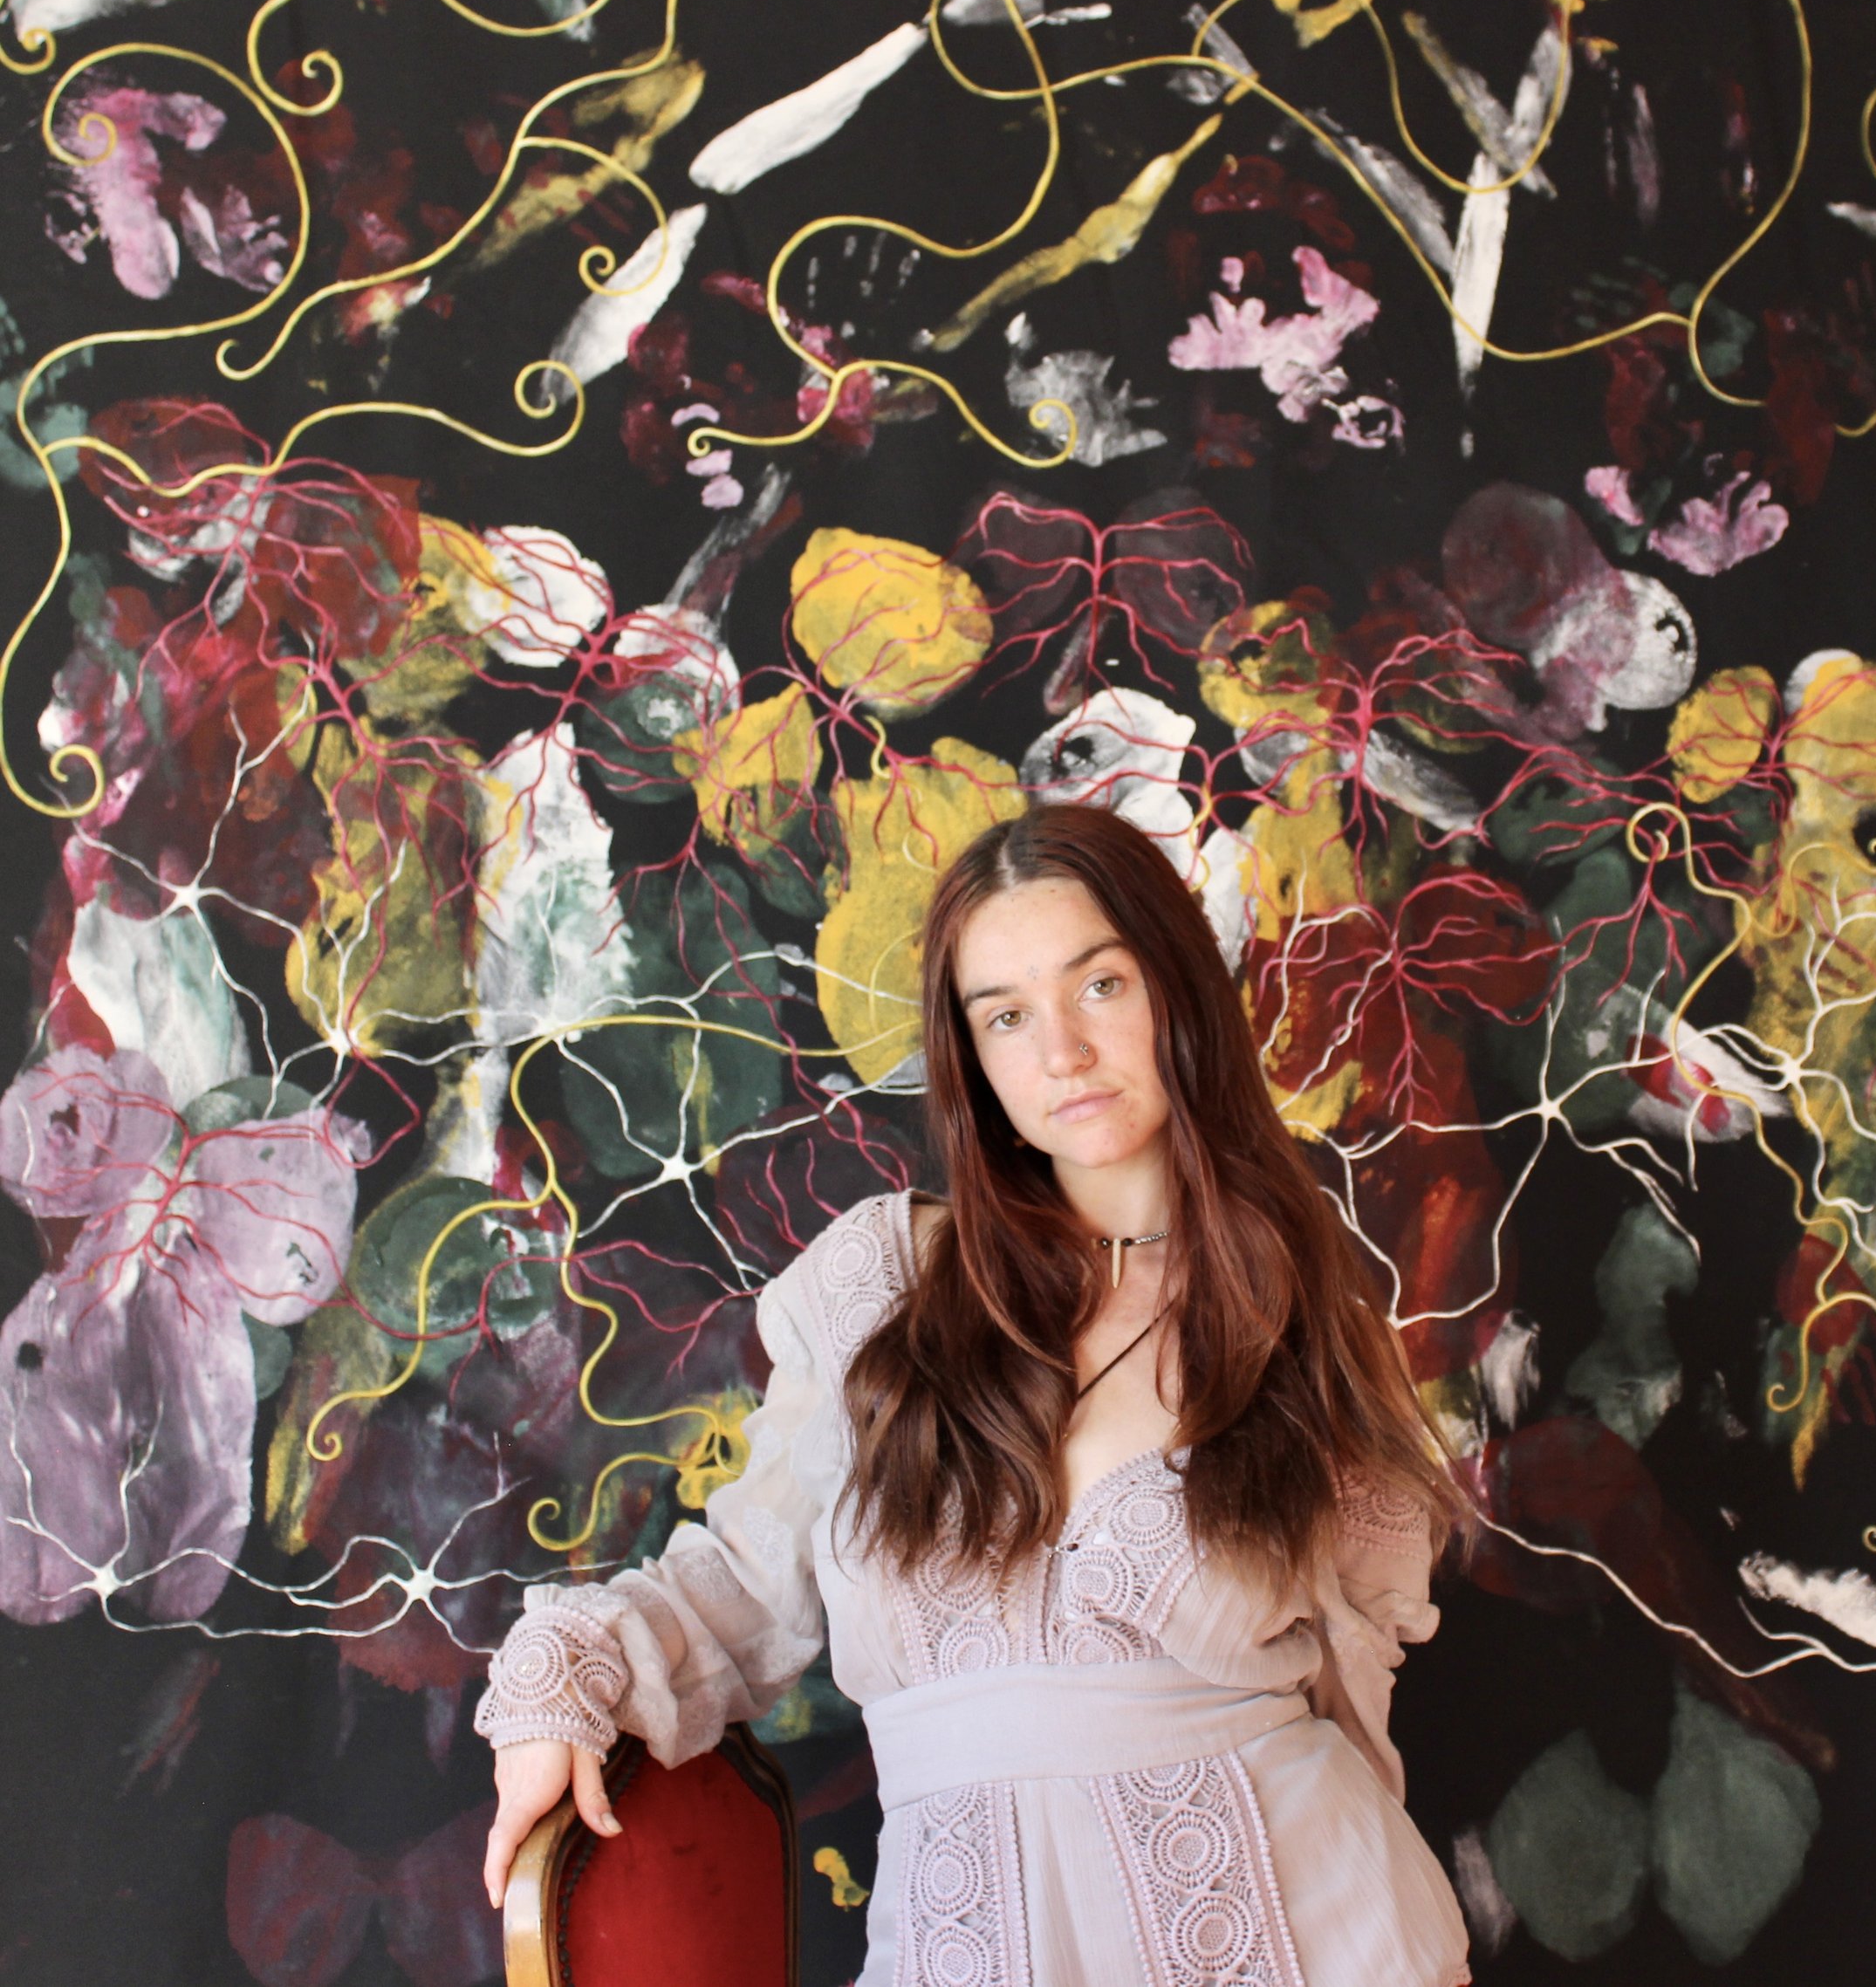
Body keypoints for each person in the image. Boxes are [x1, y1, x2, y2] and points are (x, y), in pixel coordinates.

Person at [476, 801, 1473, 1984]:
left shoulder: (1299, 1317)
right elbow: (742, 1594)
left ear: (1177, 991)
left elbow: (1353, 1691)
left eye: (1100, 987)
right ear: (971, 1055)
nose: (1061, 1053)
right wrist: (562, 1688)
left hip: (1296, 1931)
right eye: (1006, 1015)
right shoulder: (880, 1287)